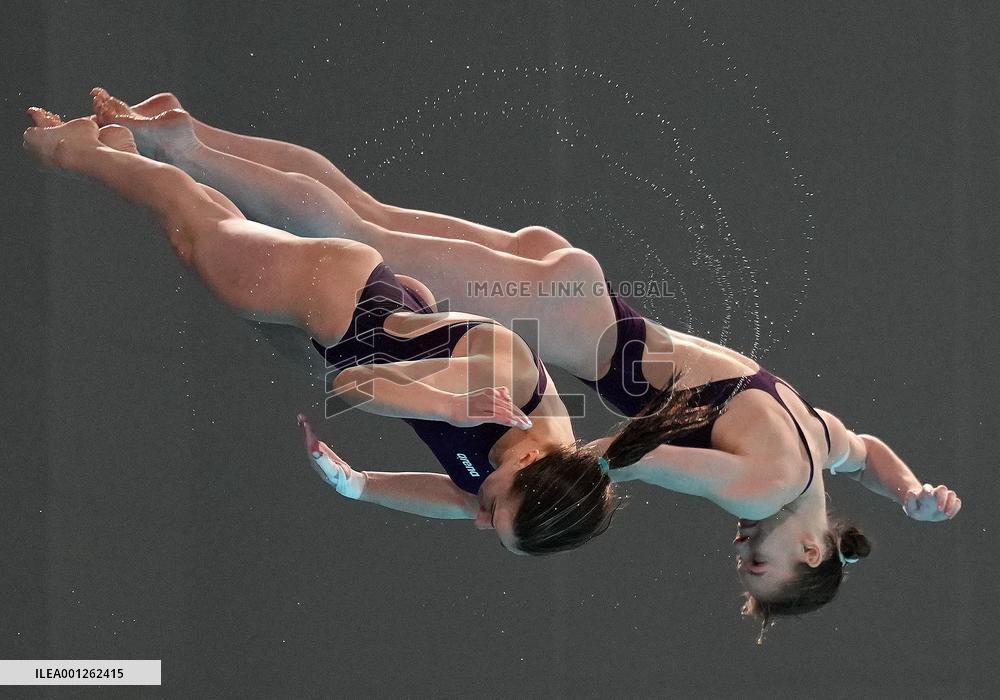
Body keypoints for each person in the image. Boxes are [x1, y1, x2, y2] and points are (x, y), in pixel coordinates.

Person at [91, 90, 962, 626]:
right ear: (811, 553)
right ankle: (183, 151)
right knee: (350, 231)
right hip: (557, 318)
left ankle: (186, 133)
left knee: (362, 213)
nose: (740, 547)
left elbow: (867, 449)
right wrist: (537, 484)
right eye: (756, 564)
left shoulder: (815, 444)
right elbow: (635, 455)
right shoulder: (767, 487)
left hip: (576, 297)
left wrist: (910, 491)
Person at [22, 105, 618, 556]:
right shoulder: (502, 385)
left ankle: (132, 150)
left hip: (356, 324)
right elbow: (354, 387)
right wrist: (450, 405)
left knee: (205, 240)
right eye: (495, 508)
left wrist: (360, 485)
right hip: (342, 297)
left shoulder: (522, 471)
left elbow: (459, 500)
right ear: (532, 457)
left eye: (493, 528)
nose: (482, 520)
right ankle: (79, 151)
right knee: (196, 232)